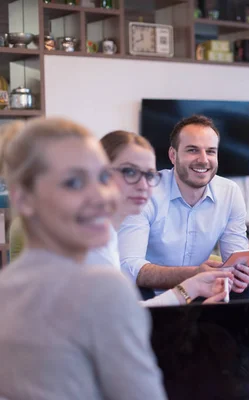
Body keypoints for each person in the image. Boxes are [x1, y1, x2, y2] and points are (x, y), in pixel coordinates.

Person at [0, 118, 167, 399]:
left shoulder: (8, 286)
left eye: (102, 177)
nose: (101, 196)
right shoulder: (102, 288)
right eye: (74, 182)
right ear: (24, 199)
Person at [119, 115, 249, 315]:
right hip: (152, 296)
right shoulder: (146, 191)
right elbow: (129, 266)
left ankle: (221, 345)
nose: (203, 159)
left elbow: (236, 258)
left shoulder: (230, 192)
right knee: (130, 293)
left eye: (210, 151)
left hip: (203, 292)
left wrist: (244, 273)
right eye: (192, 150)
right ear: (173, 156)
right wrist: (194, 276)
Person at [89, 130, 231, 306]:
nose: (143, 185)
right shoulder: (88, 245)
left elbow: (122, 314)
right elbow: (115, 320)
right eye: (129, 172)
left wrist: (192, 289)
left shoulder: (108, 237)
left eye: (149, 175)